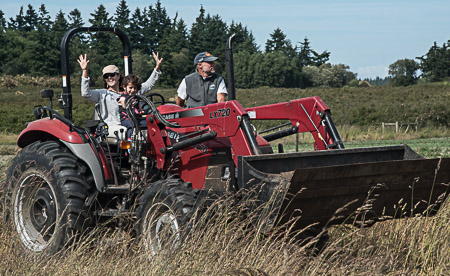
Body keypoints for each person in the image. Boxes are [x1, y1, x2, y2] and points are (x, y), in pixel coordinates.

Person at [77, 52, 163, 127]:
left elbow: (149, 85)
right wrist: (84, 70)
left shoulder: (131, 90)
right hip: (113, 126)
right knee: (128, 131)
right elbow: (85, 93)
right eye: (106, 76)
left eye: (112, 75)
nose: (109, 78)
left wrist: (157, 68)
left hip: (133, 123)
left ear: (118, 76)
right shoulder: (102, 94)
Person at [117, 74, 147, 139]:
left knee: (147, 123)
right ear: (125, 87)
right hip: (126, 119)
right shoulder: (123, 97)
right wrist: (130, 105)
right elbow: (124, 106)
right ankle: (129, 142)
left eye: (135, 88)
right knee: (132, 125)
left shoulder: (136, 98)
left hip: (136, 118)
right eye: (130, 88)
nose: (133, 90)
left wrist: (145, 115)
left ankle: (146, 141)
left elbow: (140, 110)